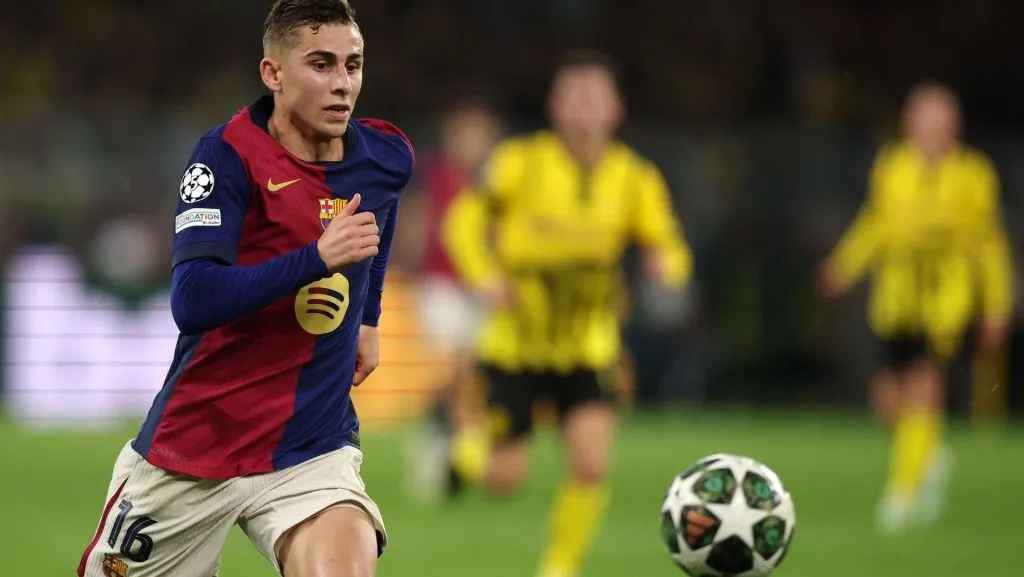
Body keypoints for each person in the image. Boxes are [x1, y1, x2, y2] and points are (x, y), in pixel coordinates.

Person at [76, 1, 414, 576]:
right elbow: (193, 299)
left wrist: (369, 318)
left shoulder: (384, 157)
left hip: (310, 445)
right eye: (321, 64)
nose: (343, 84)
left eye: (352, 65)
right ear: (273, 74)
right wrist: (316, 258)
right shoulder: (225, 158)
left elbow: (377, 220)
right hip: (196, 449)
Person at [428, 51, 694, 577]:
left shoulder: (635, 179)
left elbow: (669, 242)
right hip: (516, 343)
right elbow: (462, 221)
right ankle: (466, 452)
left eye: (595, 98)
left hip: (587, 344)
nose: (584, 109)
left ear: (616, 109)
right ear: (555, 106)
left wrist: (668, 265)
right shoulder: (519, 164)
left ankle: (559, 568)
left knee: (592, 461)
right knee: (504, 481)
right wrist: (483, 276)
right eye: (574, 97)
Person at [820, 82, 1013, 534]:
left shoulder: (974, 175)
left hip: (947, 301)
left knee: (925, 387)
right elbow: (876, 225)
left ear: (953, 126)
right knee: (888, 401)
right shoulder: (892, 166)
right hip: (896, 300)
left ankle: (903, 492)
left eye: (938, 120)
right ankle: (929, 453)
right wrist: (844, 266)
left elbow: (988, 245)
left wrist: (997, 305)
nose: (928, 128)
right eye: (921, 118)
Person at [403, 98, 504, 501]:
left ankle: (447, 445)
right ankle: (444, 441)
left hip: (483, 287)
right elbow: (417, 221)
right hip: (441, 284)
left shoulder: (498, 181)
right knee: (455, 368)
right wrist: (407, 263)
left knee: (470, 376)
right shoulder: (437, 176)